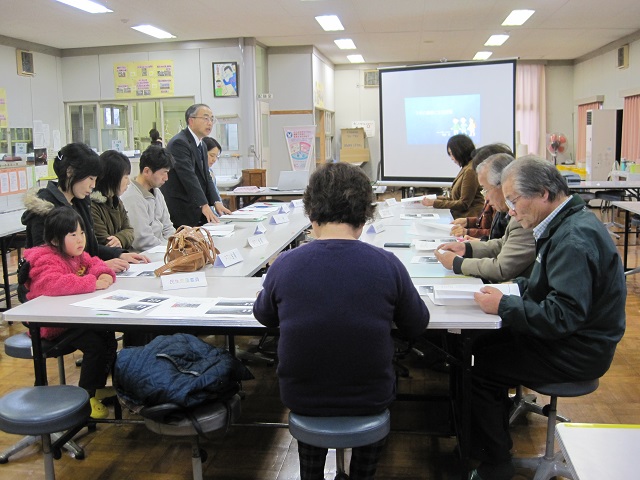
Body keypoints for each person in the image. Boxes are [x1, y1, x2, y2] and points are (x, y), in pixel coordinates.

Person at [253, 163, 430, 480]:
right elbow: (417, 324)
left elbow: (263, 315)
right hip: (370, 397)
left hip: (303, 397)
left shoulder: (286, 264)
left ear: (311, 214)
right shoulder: (387, 264)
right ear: (364, 218)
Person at [468, 156, 626, 480]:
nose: (510, 211)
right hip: (574, 338)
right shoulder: (563, 224)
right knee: (477, 344)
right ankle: (488, 441)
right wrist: (510, 289)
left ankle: (495, 466)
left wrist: (504, 305)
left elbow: (561, 316)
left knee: (479, 366)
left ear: (543, 193)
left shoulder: (572, 238)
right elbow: (545, 287)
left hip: (578, 351)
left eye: (514, 201)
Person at [23, 207, 118, 419]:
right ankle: (86, 397)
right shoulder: (45, 258)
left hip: (72, 317)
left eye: (82, 232)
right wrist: (92, 282)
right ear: (55, 240)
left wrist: (104, 274)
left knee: (107, 335)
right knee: (95, 345)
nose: (80, 239)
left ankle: (96, 388)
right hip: (52, 324)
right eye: (73, 234)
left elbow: (95, 263)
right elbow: (53, 283)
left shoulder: (76, 255)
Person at [22, 142, 149, 272]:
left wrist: (119, 254)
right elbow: (48, 265)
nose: (93, 185)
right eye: (90, 178)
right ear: (70, 172)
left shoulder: (81, 203)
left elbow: (90, 249)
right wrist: (99, 266)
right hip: (54, 281)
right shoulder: (45, 209)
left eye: (95, 180)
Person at [434, 153, 536, 283]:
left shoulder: (524, 216)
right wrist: (466, 249)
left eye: (486, 190)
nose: (486, 198)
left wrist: (458, 263)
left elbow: (501, 268)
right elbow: (503, 244)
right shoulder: (514, 213)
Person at [161, 104, 225, 227]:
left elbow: (206, 176)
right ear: (191, 121)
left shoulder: (202, 144)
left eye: (212, 119)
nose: (210, 123)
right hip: (182, 207)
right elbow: (188, 177)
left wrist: (216, 201)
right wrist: (204, 205)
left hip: (195, 206)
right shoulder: (180, 143)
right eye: (205, 118)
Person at [450, 144, 514, 240]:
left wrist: (468, 232)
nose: (486, 198)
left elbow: (496, 237)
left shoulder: (508, 209)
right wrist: (468, 222)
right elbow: (487, 224)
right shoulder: (499, 203)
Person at [121, 145, 176, 252]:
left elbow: (168, 227)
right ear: (147, 171)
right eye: (163, 173)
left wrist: (177, 245)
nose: (166, 178)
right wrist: (169, 249)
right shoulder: (132, 197)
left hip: (161, 250)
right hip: (144, 254)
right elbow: (142, 240)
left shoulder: (157, 192)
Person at [422, 134, 484, 219]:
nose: (451, 158)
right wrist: (433, 198)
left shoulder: (470, 170)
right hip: (461, 217)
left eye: (451, 154)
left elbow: (464, 203)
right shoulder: (466, 168)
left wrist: (434, 203)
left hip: (468, 218)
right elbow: (453, 198)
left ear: (459, 151)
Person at [90, 150, 134, 250]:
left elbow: (130, 230)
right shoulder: (93, 206)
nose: (128, 182)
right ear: (113, 178)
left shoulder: (116, 201)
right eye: (125, 177)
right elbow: (105, 241)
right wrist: (119, 239)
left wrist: (120, 238)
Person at [202, 136, 232, 216]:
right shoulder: (199, 173)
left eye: (216, 156)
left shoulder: (210, 171)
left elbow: (216, 194)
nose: (214, 159)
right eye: (212, 155)